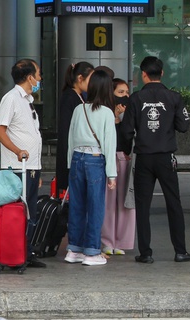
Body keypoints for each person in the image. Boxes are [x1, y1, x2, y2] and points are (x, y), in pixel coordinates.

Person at [122, 56, 190, 264]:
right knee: (174, 203)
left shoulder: (135, 99)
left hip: (144, 158)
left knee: (143, 206)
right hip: (166, 158)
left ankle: (145, 253)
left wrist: (127, 150)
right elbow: (183, 125)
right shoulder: (174, 97)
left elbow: (127, 131)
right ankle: (180, 251)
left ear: (143, 74)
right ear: (162, 73)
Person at [0, 59, 46, 268]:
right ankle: (14, 254)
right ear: (29, 77)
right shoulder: (11, 99)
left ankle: (26, 251)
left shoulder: (27, 100)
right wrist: (17, 151)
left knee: (30, 212)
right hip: (18, 168)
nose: (40, 78)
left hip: (31, 167)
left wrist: (38, 168)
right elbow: (0, 131)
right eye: (39, 74)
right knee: (18, 211)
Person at [64, 69, 117, 267]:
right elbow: (109, 145)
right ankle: (92, 252)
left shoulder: (79, 109)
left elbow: (70, 138)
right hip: (95, 160)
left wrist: (70, 164)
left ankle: (74, 249)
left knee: (77, 206)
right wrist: (112, 174)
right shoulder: (106, 113)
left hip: (77, 159)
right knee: (95, 207)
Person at [101, 79, 136, 256]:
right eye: (121, 92)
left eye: (127, 92)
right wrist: (115, 117)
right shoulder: (103, 113)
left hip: (124, 158)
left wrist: (123, 118)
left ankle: (121, 241)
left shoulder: (129, 115)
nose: (125, 96)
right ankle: (107, 240)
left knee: (125, 202)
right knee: (108, 202)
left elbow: (127, 138)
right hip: (109, 159)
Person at [55, 62, 94, 197]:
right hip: (71, 152)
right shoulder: (69, 97)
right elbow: (65, 129)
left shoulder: (80, 96)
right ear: (80, 78)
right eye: (90, 79)